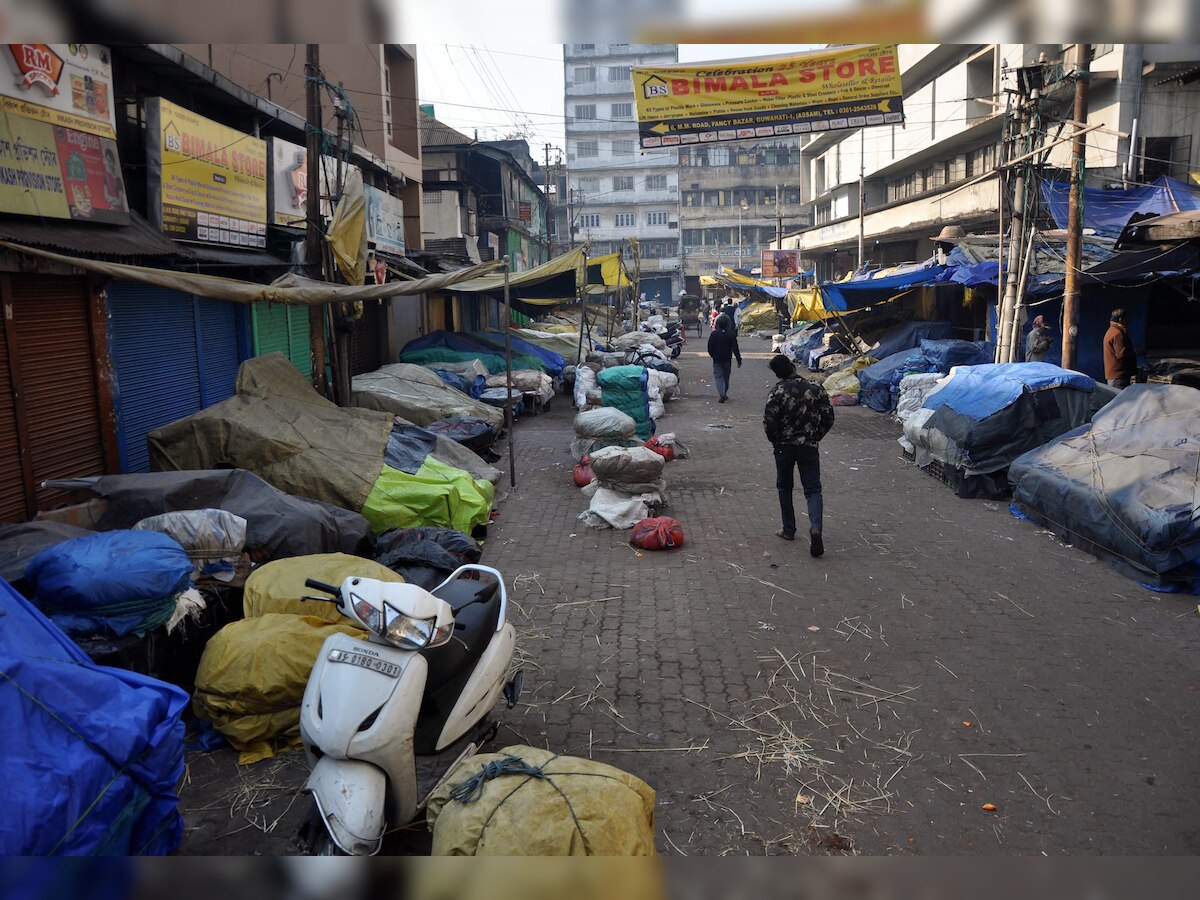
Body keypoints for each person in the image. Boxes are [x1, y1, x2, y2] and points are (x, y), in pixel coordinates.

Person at [763, 355, 835, 557]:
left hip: (783, 448)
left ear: (778, 373)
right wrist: (816, 436)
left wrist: (776, 441)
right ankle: (815, 527)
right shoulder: (814, 388)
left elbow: (769, 422)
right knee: (813, 489)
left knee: (785, 487)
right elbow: (828, 417)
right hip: (809, 447)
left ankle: (788, 529)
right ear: (793, 367)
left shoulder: (776, 392)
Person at [706, 313, 742, 403]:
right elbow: (735, 348)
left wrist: (713, 355)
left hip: (717, 359)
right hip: (727, 360)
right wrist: (739, 360)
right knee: (726, 377)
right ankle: (724, 393)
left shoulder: (714, 334)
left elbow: (710, 347)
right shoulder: (731, 334)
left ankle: (722, 394)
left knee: (718, 377)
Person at [1103, 308, 1138, 389]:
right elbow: (1121, 354)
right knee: (1121, 399)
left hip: (1114, 376)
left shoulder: (1111, 331)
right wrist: (1134, 352)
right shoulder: (1118, 333)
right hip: (1119, 376)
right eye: (1127, 319)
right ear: (1121, 319)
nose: (1128, 322)